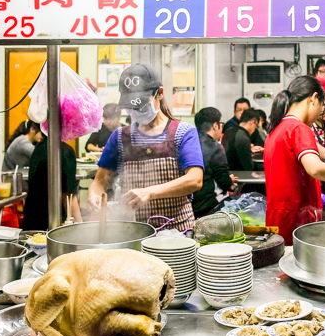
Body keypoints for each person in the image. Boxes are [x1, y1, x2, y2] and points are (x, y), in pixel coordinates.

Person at [87, 64, 204, 231]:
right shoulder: (120, 137)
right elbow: (100, 181)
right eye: (131, 106)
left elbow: (195, 180)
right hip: (133, 231)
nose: (136, 110)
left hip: (176, 233)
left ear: (160, 93)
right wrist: (94, 194)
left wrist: (149, 192)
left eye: (141, 104)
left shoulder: (183, 132)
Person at [264, 76, 325, 244]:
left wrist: (321, 198)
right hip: (296, 223)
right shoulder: (299, 128)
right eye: (322, 107)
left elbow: (289, 180)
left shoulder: (277, 130)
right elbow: (315, 168)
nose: (320, 113)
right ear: (314, 99)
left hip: (279, 220)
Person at [21, 132, 82, 230]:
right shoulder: (65, 151)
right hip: (54, 222)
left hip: (31, 220)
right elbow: (68, 196)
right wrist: (80, 226)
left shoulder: (38, 148)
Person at [192, 107, 238, 218]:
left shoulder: (188, 143)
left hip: (190, 205)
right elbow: (223, 182)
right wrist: (229, 180)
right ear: (215, 125)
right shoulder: (215, 148)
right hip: (208, 206)